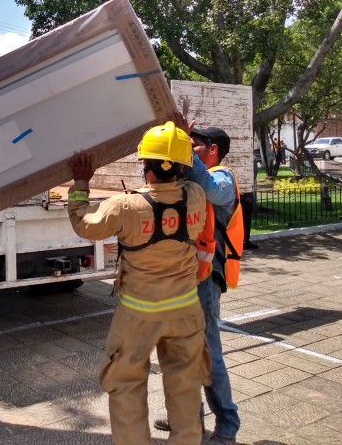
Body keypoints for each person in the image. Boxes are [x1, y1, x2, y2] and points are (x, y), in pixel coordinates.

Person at [66, 122, 210, 445]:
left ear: (145, 165)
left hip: (137, 315)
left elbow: (84, 224)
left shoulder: (126, 207)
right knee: (186, 390)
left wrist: (81, 182)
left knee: (127, 387)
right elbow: (184, 182)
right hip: (186, 311)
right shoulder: (197, 198)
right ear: (182, 166)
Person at [156, 124, 241, 445]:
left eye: (195, 146)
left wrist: (184, 152)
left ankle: (228, 426)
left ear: (213, 149)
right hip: (180, 276)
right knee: (180, 351)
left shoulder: (222, 178)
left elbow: (207, 185)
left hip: (205, 279)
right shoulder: (187, 178)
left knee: (207, 353)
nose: (190, 150)